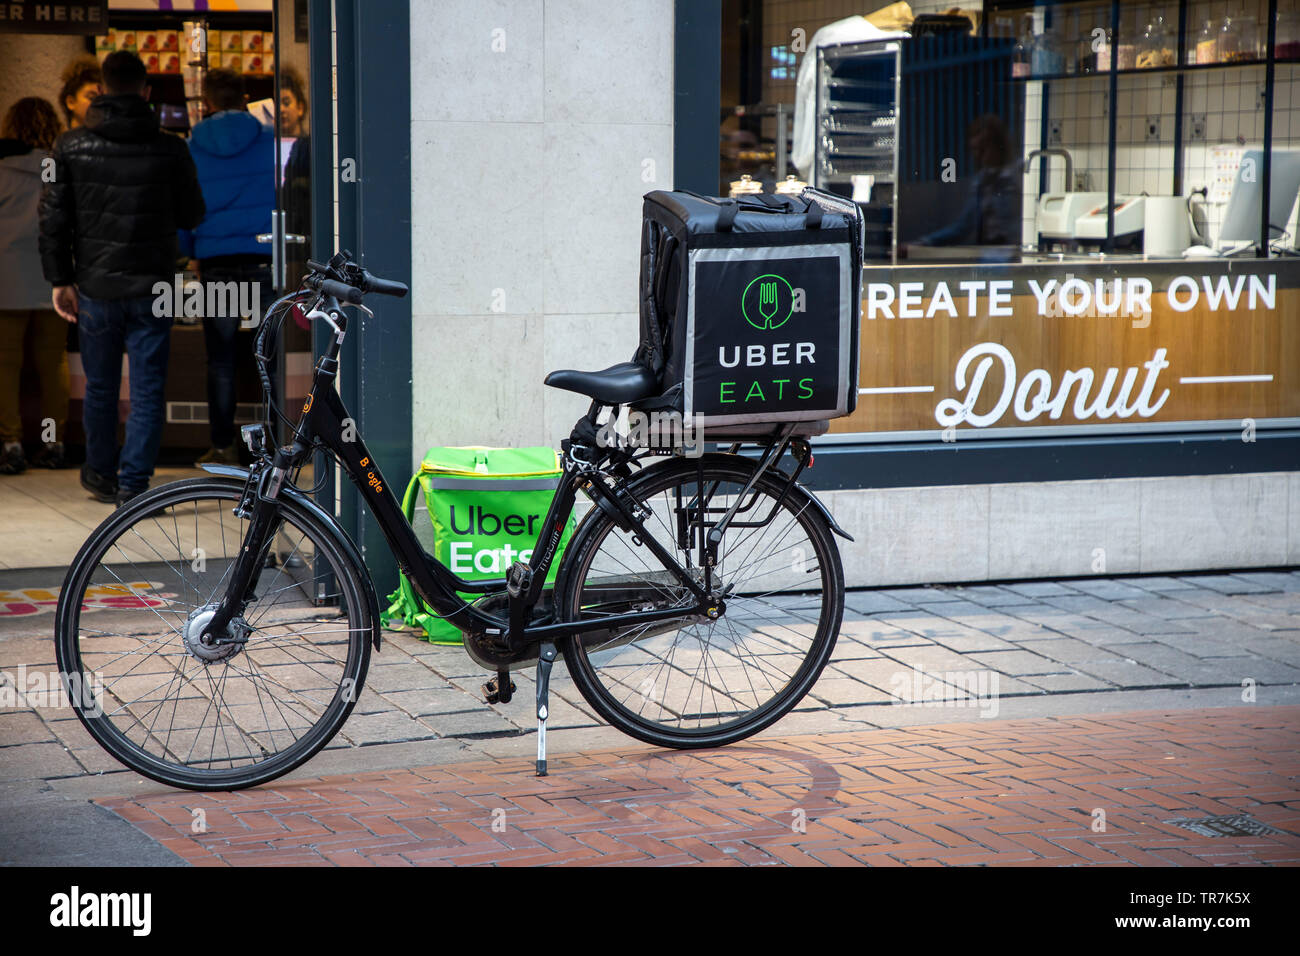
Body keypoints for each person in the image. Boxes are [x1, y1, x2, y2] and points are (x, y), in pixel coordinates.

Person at [39, 51, 206, 507]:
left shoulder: (70, 147)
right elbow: (194, 213)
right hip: (153, 286)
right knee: (148, 386)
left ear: (102, 90)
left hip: (95, 286)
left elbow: (53, 219)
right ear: (146, 91)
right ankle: (134, 483)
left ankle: (99, 474)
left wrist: (61, 280)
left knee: (100, 385)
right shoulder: (172, 147)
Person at [179, 68, 274, 465]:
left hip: (216, 263)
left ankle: (222, 445)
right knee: (269, 355)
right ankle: (272, 447)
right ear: (244, 97)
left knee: (221, 359)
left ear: (206, 103)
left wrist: (191, 252)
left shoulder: (190, 146)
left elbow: (184, 208)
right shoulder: (268, 140)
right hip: (264, 257)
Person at [0, 98, 68, 474]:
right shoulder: (53, 167)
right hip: (51, 278)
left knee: (6, 366)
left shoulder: (2, 169)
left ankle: (12, 444)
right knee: (51, 363)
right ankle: (52, 441)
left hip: (6, 278)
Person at [58, 56, 102, 130]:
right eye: (92, 98)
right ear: (71, 102)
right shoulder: (61, 140)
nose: (100, 104)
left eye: (103, 98)